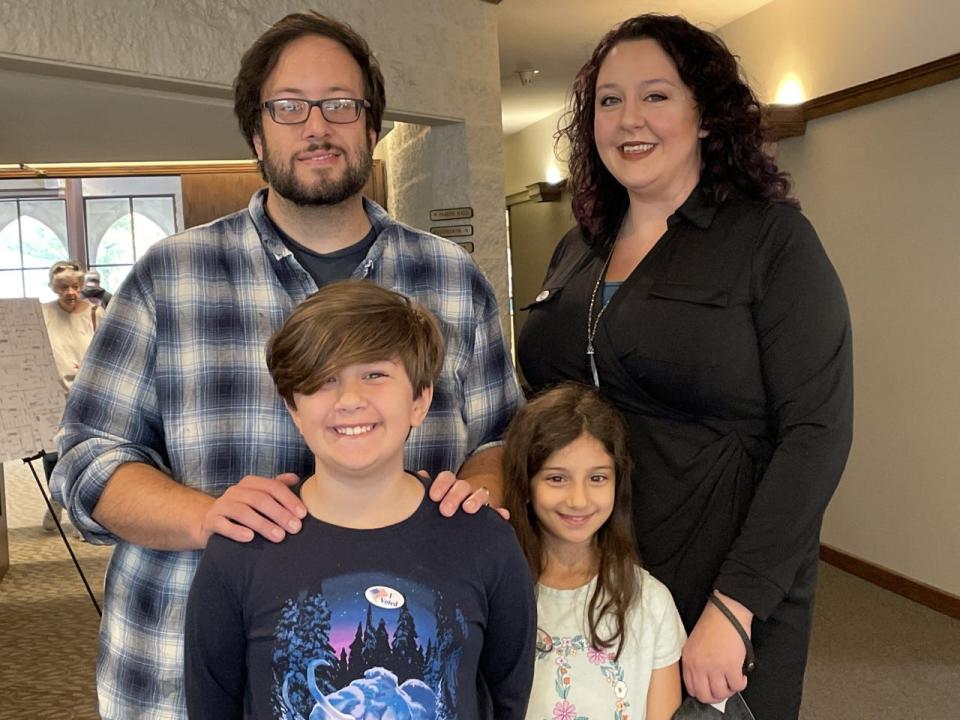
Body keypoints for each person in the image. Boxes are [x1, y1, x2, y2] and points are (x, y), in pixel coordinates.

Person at [51, 11, 520, 719]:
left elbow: (504, 436)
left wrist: (477, 491)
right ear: (256, 132)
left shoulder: (451, 279)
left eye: (340, 104)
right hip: (176, 674)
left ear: (371, 125)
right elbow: (85, 460)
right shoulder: (170, 276)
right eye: (289, 107)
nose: (317, 126)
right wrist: (206, 516)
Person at [517, 14, 853, 720]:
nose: (629, 119)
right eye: (609, 100)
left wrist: (736, 608)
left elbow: (816, 433)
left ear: (706, 113)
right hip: (592, 571)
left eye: (656, 96)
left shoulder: (769, 240)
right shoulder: (579, 248)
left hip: (720, 579)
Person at [185, 280, 536, 720]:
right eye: (324, 379)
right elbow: (210, 704)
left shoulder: (485, 541)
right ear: (294, 407)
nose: (350, 400)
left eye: (375, 374)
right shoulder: (242, 547)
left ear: (420, 399)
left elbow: (507, 696)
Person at [503, 383, 684, 720]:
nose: (578, 500)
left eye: (597, 478)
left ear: (618, 481)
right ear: (526, 484)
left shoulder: (651, 602)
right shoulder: (499, 595)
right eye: (557, 478)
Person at [39, 260, 104, 531]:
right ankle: (56, 499)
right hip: (51, 391)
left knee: (82, 452)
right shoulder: (42, 312)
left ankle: (80, 513)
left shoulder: (93, 313)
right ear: (54, 288)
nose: (70, 292)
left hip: (86, 393)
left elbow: (105, 350)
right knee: (52, 452)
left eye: (75, 286)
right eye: (64, 287)